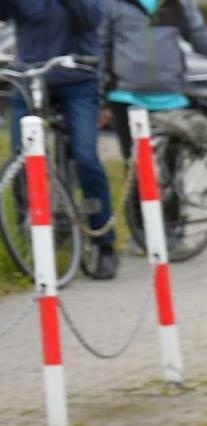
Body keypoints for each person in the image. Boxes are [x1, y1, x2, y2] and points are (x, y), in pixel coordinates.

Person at [2, 0, 119, 279]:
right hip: (30, 78)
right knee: (21, 159)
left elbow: (90, 19)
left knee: (86, 158)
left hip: (77, 79)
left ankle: (104, 245)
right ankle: (31, 237)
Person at [101, 0, 207, 159]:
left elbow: (199, 36)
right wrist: (100, 98)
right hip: (127, 98)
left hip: (172, 98)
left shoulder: (178, 3)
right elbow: (100, 47)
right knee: (138, 170)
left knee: (172, 168)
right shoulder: (113, 4)